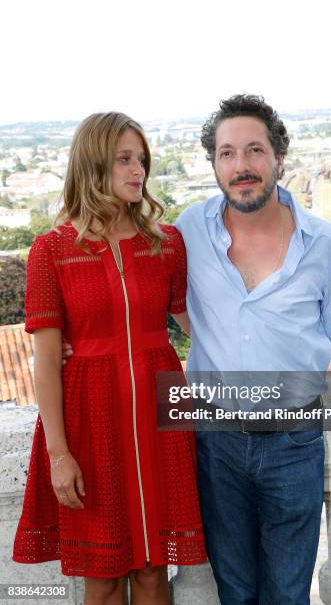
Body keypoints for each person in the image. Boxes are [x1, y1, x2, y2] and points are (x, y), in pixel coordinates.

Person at [173, 94, 331, 604]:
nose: (241, 165)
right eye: (227, 153)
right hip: (216, 442)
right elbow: (147, 294)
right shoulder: (188, 231)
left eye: (254, 150)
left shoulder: (324, 244)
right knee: (234, 590)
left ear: (279, 157)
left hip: (293, 444)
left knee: (287, 593)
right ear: (213, 164)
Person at [13, 112, 206, 605]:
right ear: (93, 165)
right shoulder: (51, 252)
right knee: (101, 581)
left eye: (141, 159)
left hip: (161, 425)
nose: (137, 170)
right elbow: (47, 360)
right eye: (124, 159)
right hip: (90, 424)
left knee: (152, 573)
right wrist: (59, 455)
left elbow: (200, 329)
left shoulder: (166, 244)